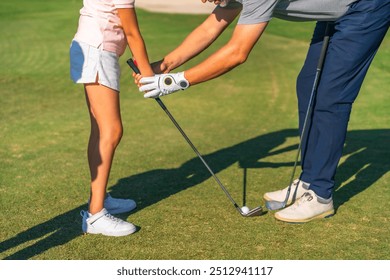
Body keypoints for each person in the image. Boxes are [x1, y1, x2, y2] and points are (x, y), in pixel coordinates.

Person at [134, 0, 389, 223]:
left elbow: (237, 53)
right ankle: (310, 179)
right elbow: (210, 27)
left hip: (365, 7)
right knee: (308, 85)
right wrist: (164, 65)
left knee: (331, 96)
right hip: (336, 8)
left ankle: (321, 195)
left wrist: (172, 82)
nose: (204, 1)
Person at [70, 0, 154, 236]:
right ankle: (95, 215)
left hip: (93, 47)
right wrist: (149, 76)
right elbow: (132, 32)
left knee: (100, 130)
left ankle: (99, 198)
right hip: (97, 49)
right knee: (111, 131)